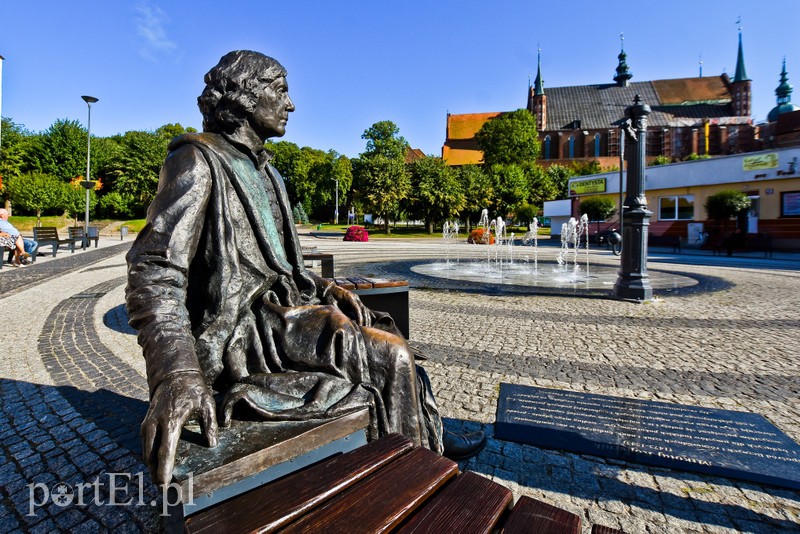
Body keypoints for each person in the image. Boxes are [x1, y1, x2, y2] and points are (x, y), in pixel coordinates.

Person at [126, 50, 485, 485]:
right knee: (390, 355)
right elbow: (154, 270)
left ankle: (428, 441)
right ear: (244, 96)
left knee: (382, 327)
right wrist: (176, 372)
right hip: (249, 331)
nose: (290, 104)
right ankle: (412, 488)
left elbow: (279, 266)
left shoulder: (270, 174)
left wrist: (325, 286)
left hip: (288, 313)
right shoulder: (197, 161)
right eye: (280, 90)